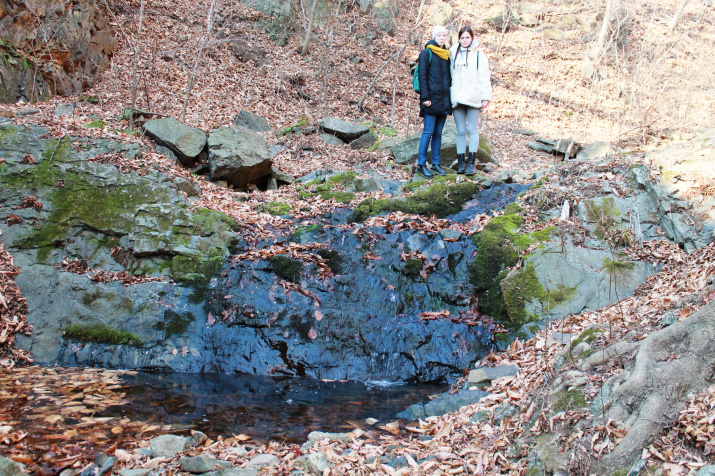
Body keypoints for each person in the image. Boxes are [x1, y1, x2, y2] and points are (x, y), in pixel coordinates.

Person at [449, 26, 492, 175]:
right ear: (459, 39)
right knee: (461, 131)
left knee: (473, 130)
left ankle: (471, 164)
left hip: (473, 96)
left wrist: (486, 97)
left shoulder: (479, 55)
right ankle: (461, 164)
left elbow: (484, 77)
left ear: (472, 38)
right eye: (462, 38)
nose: (464, 40)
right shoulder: (453, 53)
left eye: (467, 37)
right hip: (458, 97)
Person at [416, 26, 452, 178]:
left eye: (444, 35)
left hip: (443, 100)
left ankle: (436, 164)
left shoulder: (446, 56)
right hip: (430, 100)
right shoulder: (426, 53)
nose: (442, 37)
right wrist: (425, 98)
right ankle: (421, 164)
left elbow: (449, 80)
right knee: (428, 132)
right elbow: (422, 76)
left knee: (438, 133)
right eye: (439, 35)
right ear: (434, 36)